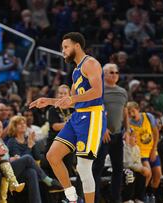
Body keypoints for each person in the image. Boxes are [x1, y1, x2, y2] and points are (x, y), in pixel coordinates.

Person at [29, 32, 107, 203]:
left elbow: (97, 91)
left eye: (65, 47)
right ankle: (72, 198)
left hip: (92, 116)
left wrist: (72, 98)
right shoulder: (75, 71)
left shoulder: (91, 63)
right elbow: (71, 102)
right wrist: (49, 101)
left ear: (77, 46)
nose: (63, 51)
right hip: (77, 116)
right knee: (52, 156)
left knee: (84, 168)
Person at [92, 63, 128, 203]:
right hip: (103, 135)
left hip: (118, 135)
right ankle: (93, 199)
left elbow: (125, 111)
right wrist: (103, 128)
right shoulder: (98, 90)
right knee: (97, 168)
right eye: (111, 72)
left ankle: (115, 199)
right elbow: (95, 111)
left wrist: (128, 129)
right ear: (104, 74)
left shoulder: (123, 92)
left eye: (116, 72)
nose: (114, 75)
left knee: (118, 168)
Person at [126, 101, 162, 202]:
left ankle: (151, 194)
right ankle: (142, 195)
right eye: (129, 113)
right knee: (148, 173)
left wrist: (154, 149)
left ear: (138, 109)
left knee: (158, 174)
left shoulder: (148, 117)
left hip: (152, 150)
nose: (131, 114)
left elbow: (156, 134)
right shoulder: (128, 123)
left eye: (133, 111)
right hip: (140, 153)